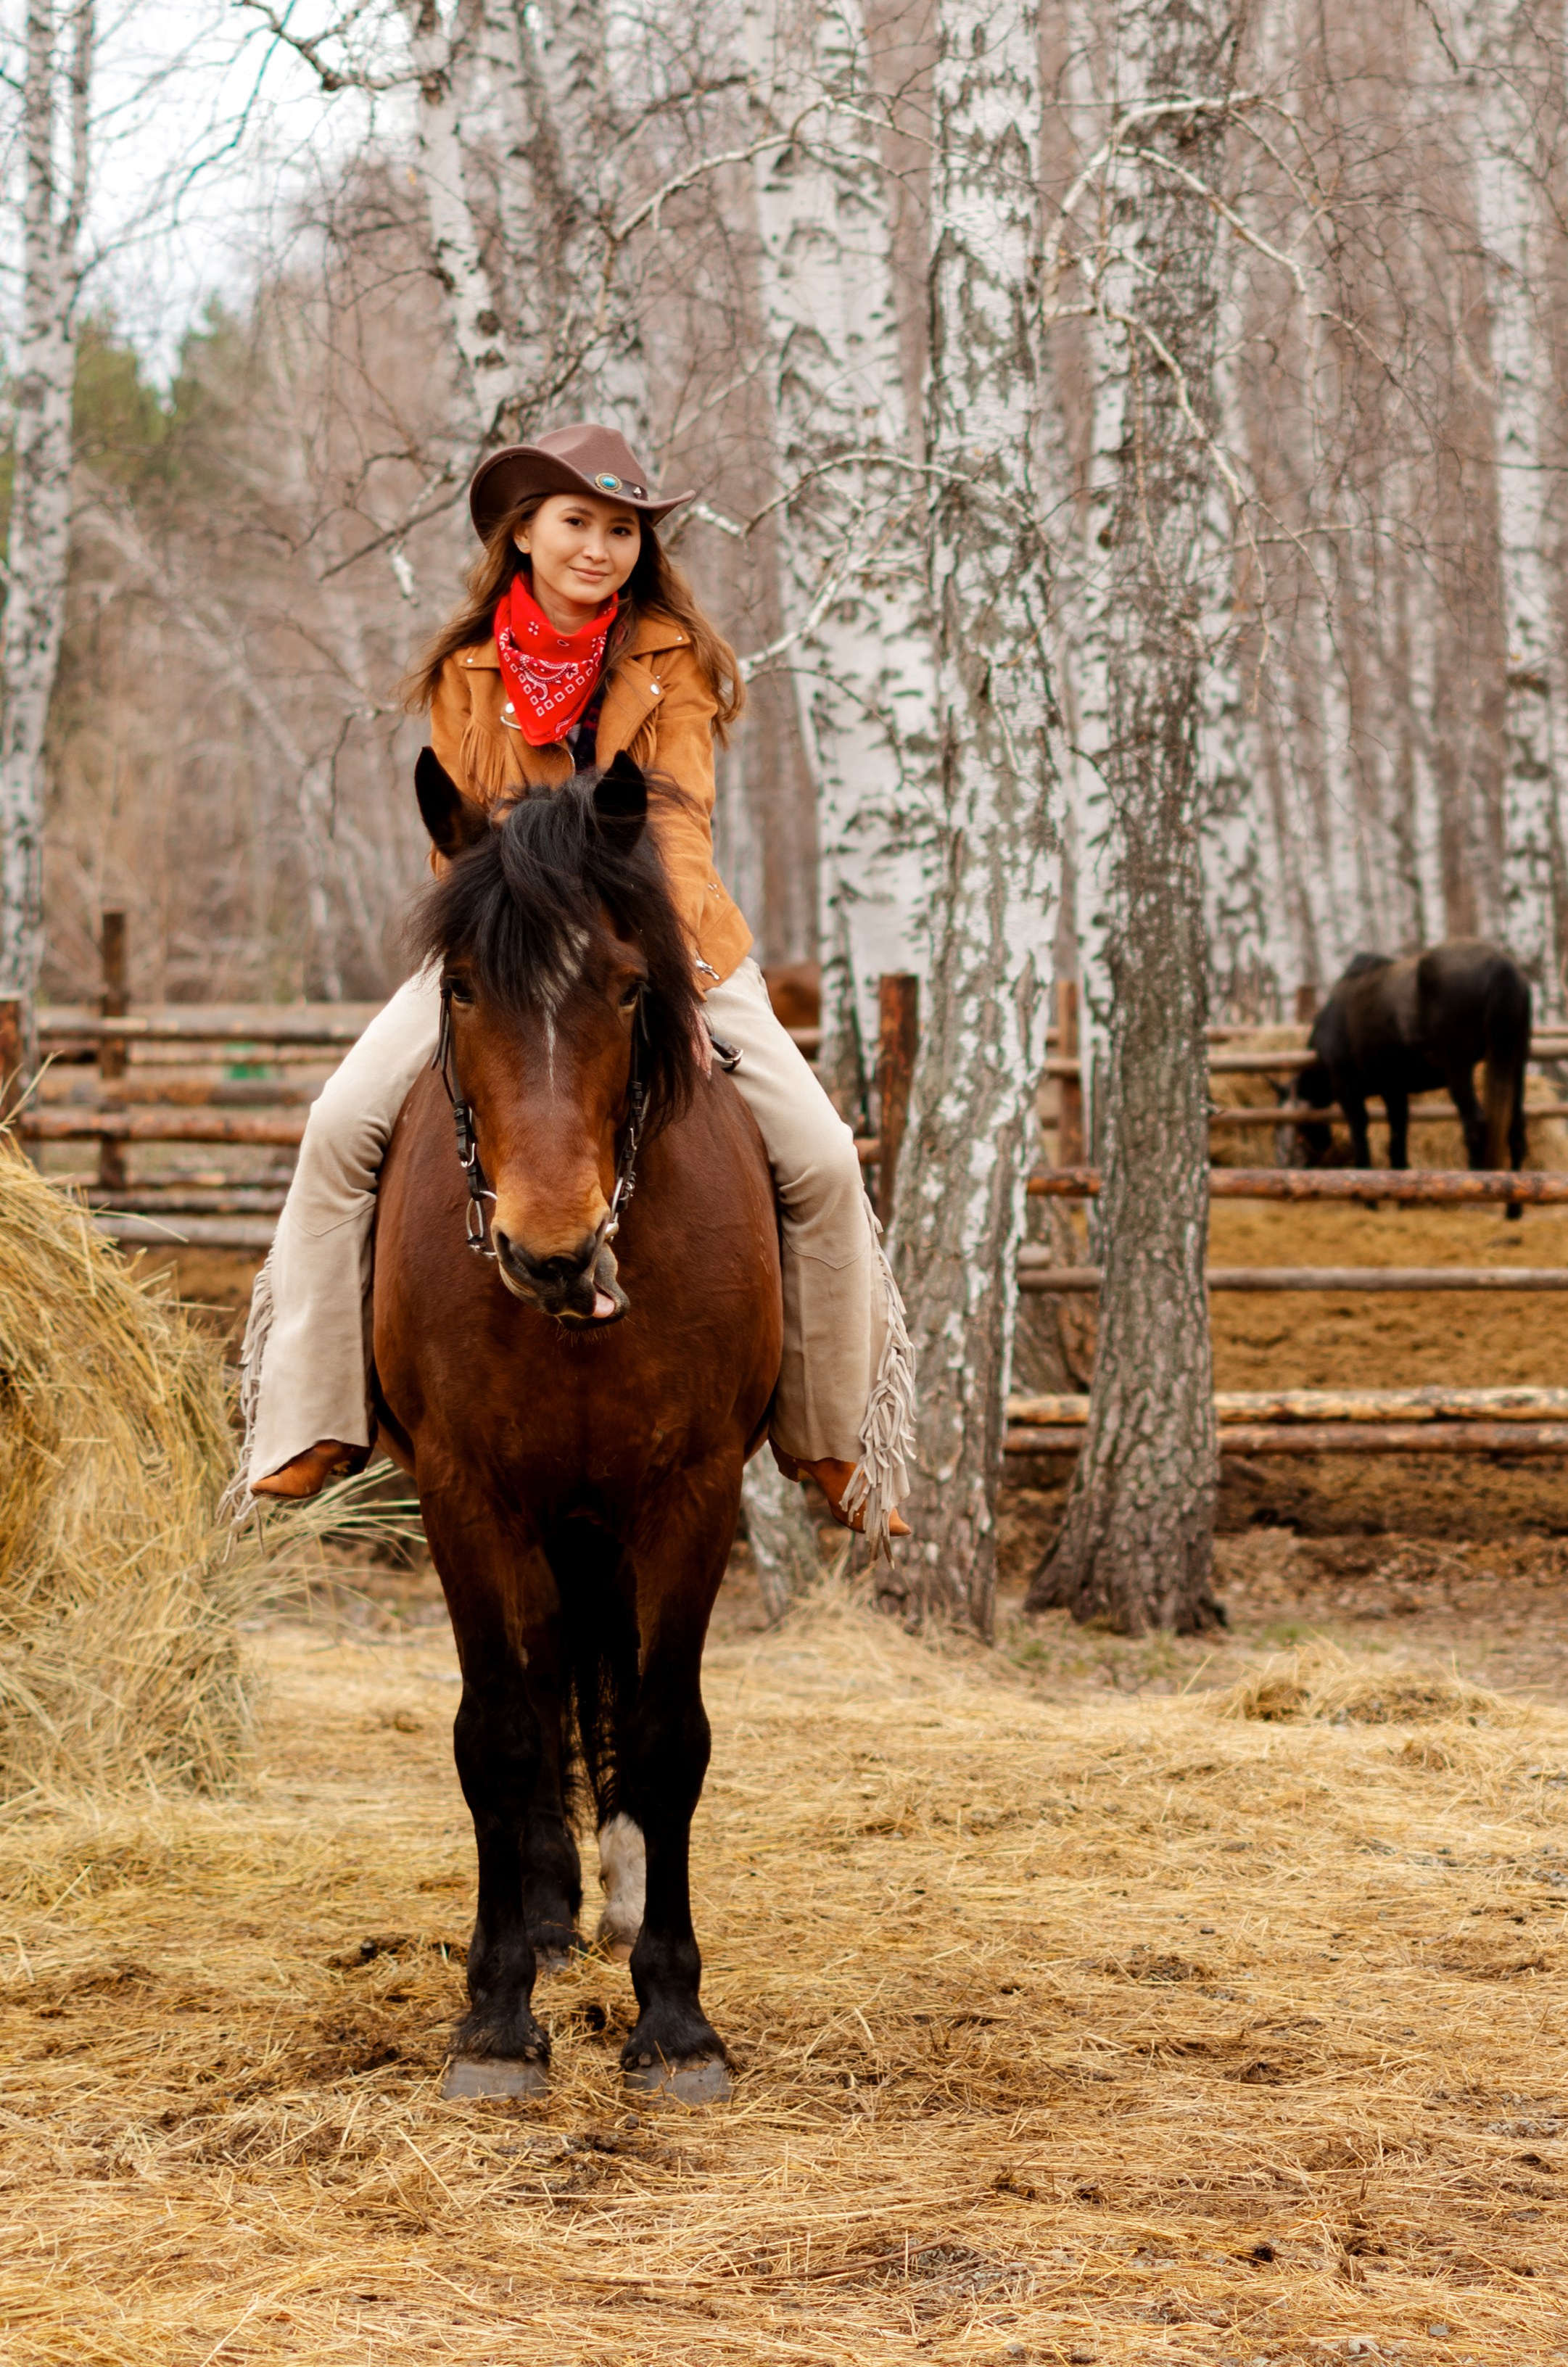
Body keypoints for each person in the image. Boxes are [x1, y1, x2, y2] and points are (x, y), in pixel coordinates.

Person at [237, 423, 913, 1544]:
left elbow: (678, 822)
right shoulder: (466, 671)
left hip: (658, 936)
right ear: (524, 536)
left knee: (824, 1159)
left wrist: (680, 979)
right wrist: (509, 922)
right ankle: (312, 1420)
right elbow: (459, 836)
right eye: (577, 525)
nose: (600, 547)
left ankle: (836, 1439)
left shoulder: (671, 658)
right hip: (506, 944)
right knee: (336, 1128)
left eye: (621, 529)